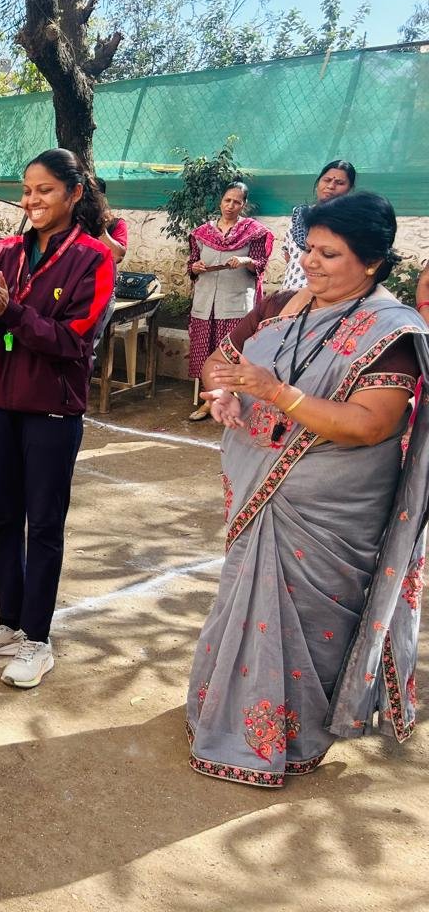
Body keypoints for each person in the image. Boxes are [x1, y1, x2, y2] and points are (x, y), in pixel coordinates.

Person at [189, 190, 427, 786]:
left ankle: (297, 736)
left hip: (331, 508)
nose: (311, 262)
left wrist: (274, 393)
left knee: (311, 620)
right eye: (309, 248)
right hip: (258, 489)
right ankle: (225, 715)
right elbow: (219, 362)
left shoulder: (391, 331)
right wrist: (222, 391)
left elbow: (371, 424)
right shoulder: (279, 307)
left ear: (372, 263)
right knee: (243, 601)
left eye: (329, 253)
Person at [0, 149, 116, 689]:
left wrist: (10, 311)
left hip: (51, 408)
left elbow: (72, 341)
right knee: (2, 517)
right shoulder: (3, 251)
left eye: (45, 190)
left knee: (43, 525)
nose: (32, 200)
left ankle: (37, 639)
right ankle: (8, 621)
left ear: (74, 193)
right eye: (27, 190)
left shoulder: (94, 258)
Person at [185, 181, 274, 422]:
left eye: (236, 202)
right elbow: (192, 265)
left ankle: (234, 400)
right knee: (206, 352)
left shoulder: (254, 232)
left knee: (233, 355)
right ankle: (211, 399)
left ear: (243, 205)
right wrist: (195, 267)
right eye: (227, 200)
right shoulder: (201, 233)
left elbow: (260, 265)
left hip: (235, 303)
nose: (230, 205)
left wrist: (246, 262)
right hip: (206, 303)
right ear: (220, 201)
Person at [281, 160, 355, 291]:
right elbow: (288, 256)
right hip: (290, 291)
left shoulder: (351, 222)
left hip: (328, 295)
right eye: (327, 180)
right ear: (318, 183)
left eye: (339, 183)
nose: (331, 186)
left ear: (350, 189)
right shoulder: (299, 215)